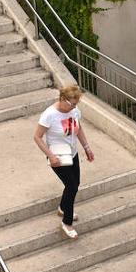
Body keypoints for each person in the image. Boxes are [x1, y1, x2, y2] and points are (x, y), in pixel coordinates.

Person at [33, 85, 95, 239]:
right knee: (72, 186)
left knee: (76, 183)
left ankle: (62, 207)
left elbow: (78, 129)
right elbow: (37, 137)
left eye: (76, 104)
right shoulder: (49, 115)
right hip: (57, 156)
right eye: (71, 103)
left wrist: (86, 148)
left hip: (71, 153)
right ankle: (66, 222)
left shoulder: (74, 111)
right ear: (62, 99)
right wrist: (50, 155)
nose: (74, 107)